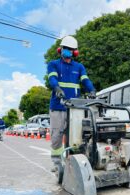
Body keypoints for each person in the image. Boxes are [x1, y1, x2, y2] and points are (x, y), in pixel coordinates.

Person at [47, 35, 96, 168]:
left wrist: (92, 90)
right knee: (57, 135)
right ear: (60, 49)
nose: (66, 50)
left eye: (70, 49)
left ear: (75, 52)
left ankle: (73, 162)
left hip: (75, 108)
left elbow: (85, 80)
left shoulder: (79, 67)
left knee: (75, 136)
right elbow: (52, 79)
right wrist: (56, 88)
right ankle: (57, 164)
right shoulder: (54, 64)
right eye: (65, 48)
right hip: (58, 106)